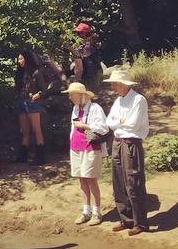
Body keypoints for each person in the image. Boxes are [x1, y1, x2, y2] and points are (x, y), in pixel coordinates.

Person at [104, 69, 150, 236]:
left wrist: (119, 122)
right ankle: (126, 219)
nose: (113, 86)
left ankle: (141, 223)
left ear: (123, 84)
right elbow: (109, 122)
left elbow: (133, 124)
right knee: (119, 182)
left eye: (115, 83)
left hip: (131, 144)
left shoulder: (139, 100)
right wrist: (120, 122)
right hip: (118, 142)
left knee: (133, 182)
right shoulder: (118, 101)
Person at [62, 81, 108, 225]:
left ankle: (97, 212)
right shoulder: (75, 109)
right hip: (76, 147)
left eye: (72, 94)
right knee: (81, 178)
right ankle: (86, 211)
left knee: (91, 179)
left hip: (90, 147)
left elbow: (103, 128)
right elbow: (72, 128)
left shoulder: (95, 108)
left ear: (80, 95)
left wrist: (85, 125)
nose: (70, 97)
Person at [14, 49, 62, 165]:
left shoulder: (36, 73)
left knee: (36, 129)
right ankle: (23, 156)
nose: (19, 61)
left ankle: (40, 156)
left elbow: (44, 89)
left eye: (21, 58)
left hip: (32, 101)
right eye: (18, 59)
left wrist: (37, 95)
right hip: (21, 100)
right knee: (24, 130)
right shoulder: (20, 74)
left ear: (27, 59)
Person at [70, 22, 103, 92]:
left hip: (92, 73)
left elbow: (83, 54)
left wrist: (71, 50)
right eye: (77, 33)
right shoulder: (83, 44)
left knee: (91, 93)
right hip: (87, 73)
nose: (78, 35)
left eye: (80, 33)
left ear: (85, 33)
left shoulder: (90, 44)